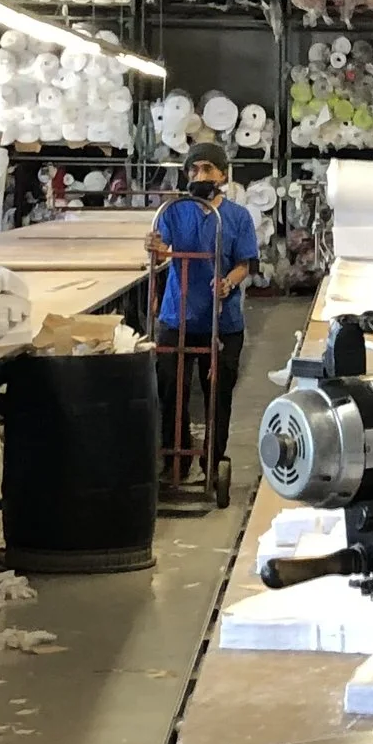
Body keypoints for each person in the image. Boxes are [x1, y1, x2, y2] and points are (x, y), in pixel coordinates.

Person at [147, 137, 258, 485]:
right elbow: (163, 252)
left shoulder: (237, 217)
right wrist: (155, 248)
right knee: (171, 392)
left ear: (222, 175)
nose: (199, 174)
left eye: (207, 168)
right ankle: (174, 460)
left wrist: (229, 282)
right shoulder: (173, 212)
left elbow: (245, 263)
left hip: (221, 322)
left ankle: (213, 463)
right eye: (193, 169)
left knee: (218, 396)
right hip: (177, 316)